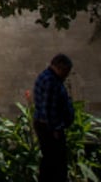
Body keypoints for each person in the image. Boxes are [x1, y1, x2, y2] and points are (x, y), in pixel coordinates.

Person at [33, 53, 75, 182]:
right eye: (66, 71)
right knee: (55, 164)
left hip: (47, 126)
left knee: (50, 162)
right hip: (50, 129)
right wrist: (55, 129)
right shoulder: (51, 81)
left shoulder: (48, 77)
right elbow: (48, 109)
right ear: (60, 67)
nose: (67, 75)